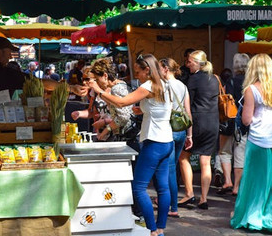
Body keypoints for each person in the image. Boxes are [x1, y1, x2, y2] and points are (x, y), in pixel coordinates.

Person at [89, 54, 173, 236]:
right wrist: (140, 109)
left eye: (138, 72)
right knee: (163, 187)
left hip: (154, 142)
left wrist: (99, 91)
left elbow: (121, 102)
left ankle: (152, 230)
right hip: (167, 140)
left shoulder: (148, 85)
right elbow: (151, 108)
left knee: (138, 188)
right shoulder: (166, 84)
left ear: (147, 70)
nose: (136, 76)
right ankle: (160, 228)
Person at [230, 54, 272, 235]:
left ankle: (254, 218)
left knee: (255, 181)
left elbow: (247, 120)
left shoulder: (251, 89)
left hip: (259, 139)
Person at [178, 50, 219, 210]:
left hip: (197, 122)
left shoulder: (193, 79)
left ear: (197, 63)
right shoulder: (215, 78)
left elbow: (188, 104)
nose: (187, 65)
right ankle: (203, 198)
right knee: (205, 162)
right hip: (213, 122)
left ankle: (189, 194)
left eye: (189, 62)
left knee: (183, 157)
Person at [159, 57, 193, 219]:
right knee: (173, 167)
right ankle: (170, 202)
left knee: (170, 169)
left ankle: (172, 206)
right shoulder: (183, 86)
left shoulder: (165, 86)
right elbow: (188, 112)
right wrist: (190, 134)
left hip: (168, 129)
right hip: (181, 130)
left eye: (159, 68)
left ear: (166, 68)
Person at [231, 53, 250, 196]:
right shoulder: (252, 81)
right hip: (252, 121)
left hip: (237, 121)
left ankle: (236, 186)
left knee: (239, 152)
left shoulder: (232, 81)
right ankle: (247, 185)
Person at [216, 67, 235, 194]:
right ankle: (238, 184)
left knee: (223, 151)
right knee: (240, 153)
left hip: (228, 121)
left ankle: (223, 176)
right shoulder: (248, 83)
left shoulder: (228, 85)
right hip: (242, 124)